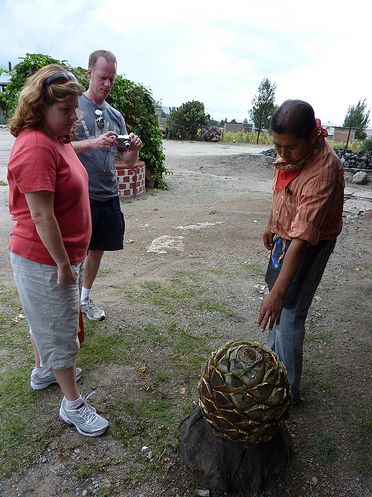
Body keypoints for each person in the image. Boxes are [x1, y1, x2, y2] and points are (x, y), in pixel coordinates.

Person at [7, 64, 108, 436]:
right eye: (65, 110)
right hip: (44, 258)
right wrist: (63, 265)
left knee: (45, 320)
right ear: (40, 107)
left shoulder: (57, 139)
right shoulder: (34, 146)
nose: (73, 117)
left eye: (74, 108)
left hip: (60, 255)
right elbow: (40, 214)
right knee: (61, 328)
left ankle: (43, 371)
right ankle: (72, 405)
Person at [257, 100, 344, 404]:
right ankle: (270, 366)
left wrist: (280, 293)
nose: (281, 153)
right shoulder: (291, 153)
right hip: (286, 235)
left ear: (312, 137)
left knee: (289, 312)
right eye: (276, 145)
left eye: (289, 147)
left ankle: (288, 391)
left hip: (309, 243)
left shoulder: (324, 169)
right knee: (274, 299)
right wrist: (271, 223)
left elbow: (303, 239)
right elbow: (282, 189)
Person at [72, 50, 142, 321]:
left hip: (108, 194)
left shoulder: (115, 115)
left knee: (98, 247)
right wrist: (93, 142)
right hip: (80, 195)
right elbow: (57, 147)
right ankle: (69, 302)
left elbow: (127, 159)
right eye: (102, 77)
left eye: (112, 79)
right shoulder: (73, 107)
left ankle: (84, 298)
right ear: (89, 73)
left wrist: (133, 148)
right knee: (75, 250)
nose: (107, 84)